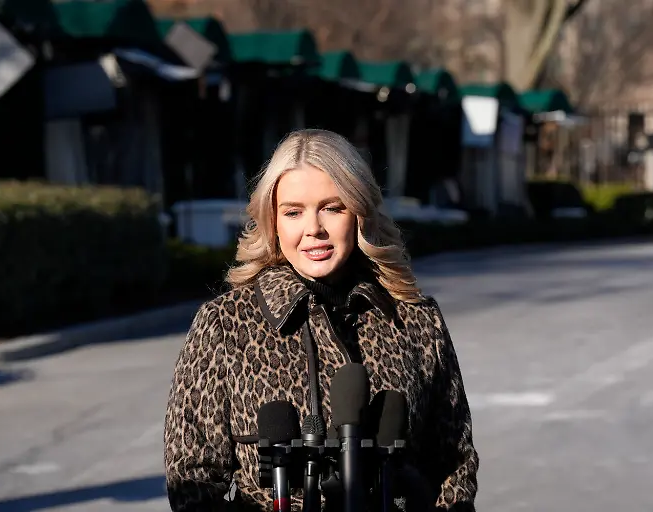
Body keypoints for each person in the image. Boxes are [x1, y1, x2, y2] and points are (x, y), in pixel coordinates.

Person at [164, 129, 479, 511]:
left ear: (360, 212)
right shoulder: (225, 325)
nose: (313, 228)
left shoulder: (416, 320)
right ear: (273, 222)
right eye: (294, 212)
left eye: (332, 207)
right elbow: (193, 477)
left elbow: (453, 465)